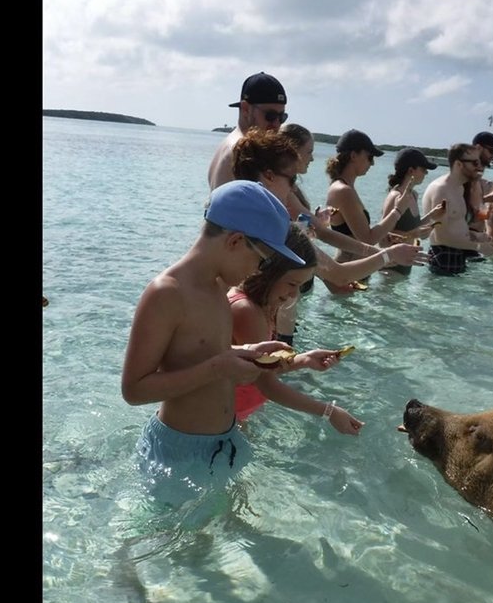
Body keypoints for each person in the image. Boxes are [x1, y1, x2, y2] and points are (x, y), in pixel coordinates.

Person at [121, 180, 304, 503]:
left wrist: (247, 352)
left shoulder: (217, 287)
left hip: (222, 440)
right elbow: (134, 390)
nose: (257, 270)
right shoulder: (167, 293)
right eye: (261, 259)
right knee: (164, 545)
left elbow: (202, 353)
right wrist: (218, 368)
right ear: (235, 241)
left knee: (208, 540)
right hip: (178, 452)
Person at [232, 128, 428, 315]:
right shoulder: (278, 228)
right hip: (270, 312)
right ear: (269, 177)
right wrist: (387, 252)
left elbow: (316, 249)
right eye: (292, 181)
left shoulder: (246, 219)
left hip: (273, 307)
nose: (292, 191)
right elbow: (339, 268)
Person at [229, 224, 364, 435]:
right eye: (291, 284)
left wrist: (304, 360)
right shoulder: (246, 310)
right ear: (268, 271)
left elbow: (258, 367)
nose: (293, 295)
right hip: (216, 419)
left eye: (300, 286)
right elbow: (267, 384)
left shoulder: (262, 305)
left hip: (234, 416)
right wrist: (328, 411)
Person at [325, 130, 417, 271]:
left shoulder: (344, 188)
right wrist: (398, 210)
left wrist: (385, 234)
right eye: (370, 157)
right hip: (348, 272)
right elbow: (367, 239)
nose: (372, 163)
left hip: (352, 271)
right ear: (353, 156)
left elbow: (358, 234)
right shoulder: (343, 191)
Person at [420, 143, 493, 275]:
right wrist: (479, 247)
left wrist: (477, 236)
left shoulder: (459, 187)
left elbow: (455, 225)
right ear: (458, 164)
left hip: (457, 253)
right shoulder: (441, 190)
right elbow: (442, 237)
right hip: (443, 256)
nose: (479, 167)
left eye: (479, 162)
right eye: (475, 163)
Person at [207, 72, 288, 190]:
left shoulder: (228, 144)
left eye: (281, 117)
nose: (276, 124)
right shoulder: (243, 152)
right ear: (245, 109)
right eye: (270, 116)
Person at [380, 148, 445, 274]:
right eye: (423, 169)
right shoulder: (395, 196)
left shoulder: (414, 195)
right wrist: (414, 234)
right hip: (390, 268)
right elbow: (383, 238)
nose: (426, 173)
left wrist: (431, 215)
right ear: (411, 171)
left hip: (406, 266)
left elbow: (411, 228)